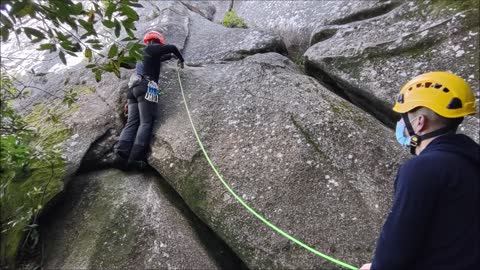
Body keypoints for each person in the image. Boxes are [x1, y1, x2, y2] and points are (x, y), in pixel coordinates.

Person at [361, 71, 479, 270]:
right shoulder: (470, 160)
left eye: (403, 117)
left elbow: (394, 253)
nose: (401, 125)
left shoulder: (422, 170)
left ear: (420, 122)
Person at [114, 30, 185, 169]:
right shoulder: (153, 48)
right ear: (157, 41)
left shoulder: (141, 54)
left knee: (132, 122)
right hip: (147, 86)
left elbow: (164, 56)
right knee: (146, 122)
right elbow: (173, 48)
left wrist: (170, 57)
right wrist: (181, 60)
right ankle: (135, 159)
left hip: (133, 89)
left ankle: (120, 155)